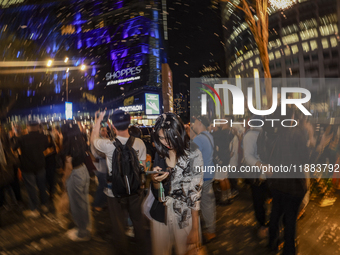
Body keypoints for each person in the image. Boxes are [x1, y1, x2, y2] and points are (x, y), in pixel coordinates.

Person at [144, 113, 203, 255]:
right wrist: (155, 181)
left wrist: (195, 227)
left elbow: (195, 193)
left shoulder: (193, 154)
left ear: (179, 132)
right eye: (162, 138)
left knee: (186, 250)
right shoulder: (160, 153)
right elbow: (159, 196)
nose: (166, 142)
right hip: (161, 214)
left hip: (184, 214)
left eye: (170, 136)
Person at [92, 110, 147, 255]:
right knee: (138, 221)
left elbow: (93, 140)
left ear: (113, 127)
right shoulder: (140, 143)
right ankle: (142, 249)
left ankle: (122, 250)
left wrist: (98, 120)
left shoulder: (108, 145)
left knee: (118, 225)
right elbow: (143, 166)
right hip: (135, 191)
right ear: (129, 123)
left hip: (114, 192)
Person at [60, 121, 91, 242]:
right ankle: (86, 227)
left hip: (75, 175)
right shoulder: (80, 141)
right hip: (84, 170)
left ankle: (82, 232)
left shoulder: (68, 146)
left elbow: (69, 168)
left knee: (77, 205)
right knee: (84, 202)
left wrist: (64, 180)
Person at [13, 121, 49, 218]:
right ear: (38, 126)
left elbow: (14, 148)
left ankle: (34, 209)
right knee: (42, 186)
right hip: (40, 165)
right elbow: (46, 147)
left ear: (28, 127)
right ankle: (44, 205)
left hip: (27, 167)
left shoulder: (22, 139)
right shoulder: (44, 137)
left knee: (31, 188)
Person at [243, 115, 270, 239]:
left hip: (260, 173)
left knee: (259, 201)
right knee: (262, 200)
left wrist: (262, 166)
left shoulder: (251, 135)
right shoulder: (262, 134)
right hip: (264, 172)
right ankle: (265, 225)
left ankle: (263, 225)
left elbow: (248, 157)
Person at [192, 115, 216, 242]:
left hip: (202, 176)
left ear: (200, 123)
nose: (193, 124)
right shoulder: (209, 136)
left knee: (206, 203)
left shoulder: (199, 139)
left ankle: (210, 230)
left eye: (195, 122)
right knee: (208, 202)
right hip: (209, 174)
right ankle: (210, 227)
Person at [211, 115, 235, 204]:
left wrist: (213, 131)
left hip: (221, 159)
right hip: (226, 158)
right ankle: (229, 195)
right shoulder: (229, 132)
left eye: (222, 120)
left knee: (221, 178)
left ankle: (224, 198)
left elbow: (213, 137)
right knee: (225, 178)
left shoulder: (222, 133)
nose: (220, 121)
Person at [91, 125, 109, 212]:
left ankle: (102, 202)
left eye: (106, 130)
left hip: (106, 168)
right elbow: (97, 154)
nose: (104, 132)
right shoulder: (97, 141)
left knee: (105, 186)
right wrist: (108, 154)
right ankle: (96, 204)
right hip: (100, 168)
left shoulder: (107, 140)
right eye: (103, 130)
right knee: (102, 186)